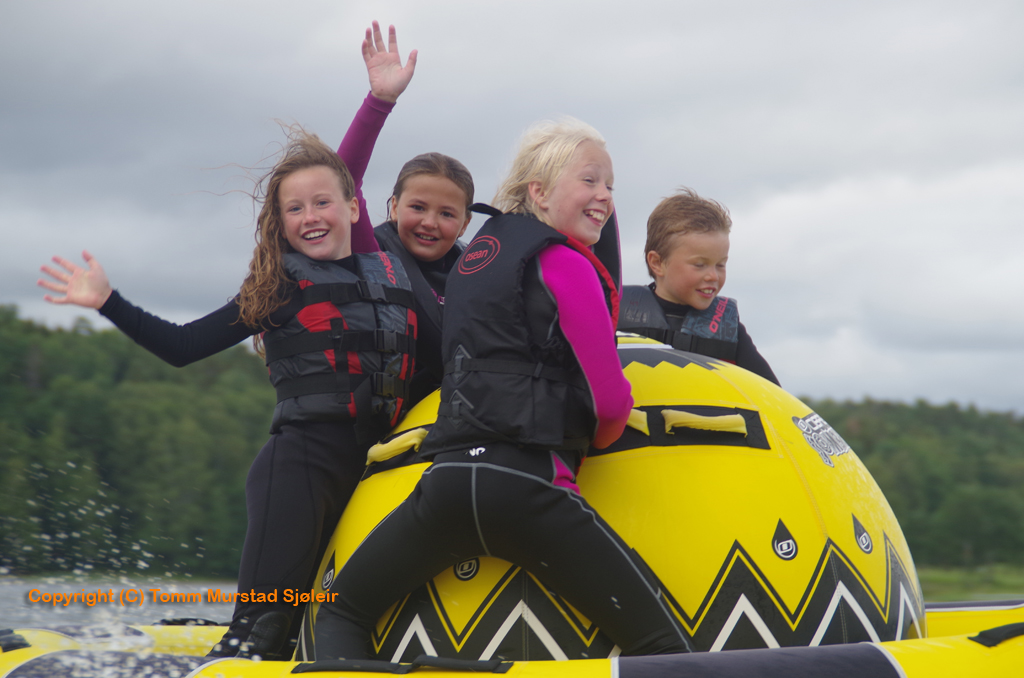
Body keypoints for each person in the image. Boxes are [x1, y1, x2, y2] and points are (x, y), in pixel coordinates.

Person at [36, 25, 420, 661]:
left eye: (323, 202)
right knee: (260, 631)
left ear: (354, 208)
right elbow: (182, 345)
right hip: (300, 468)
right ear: (281, 223)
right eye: (294, 209)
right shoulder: (279, 288)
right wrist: (108, 301)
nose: (310, 217)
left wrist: (380, 100)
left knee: (328, 627)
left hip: (375, 468)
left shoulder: (390, 275)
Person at [312, 118, 694, 660]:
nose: (605, 196)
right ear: (539, 192)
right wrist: (599, 441)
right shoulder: (566, 264)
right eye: (589, 180)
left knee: (341, 613)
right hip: (529, 490)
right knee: (662, 647)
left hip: (445, 487)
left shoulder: (473, 262)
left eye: (610, 186)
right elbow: (610, 404)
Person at [337, 23, 474, 403]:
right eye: (417, 207)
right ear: (394, 206)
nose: (429, 222)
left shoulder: (479, 273)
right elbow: (341, 184)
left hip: (463, 418)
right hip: (387, 424)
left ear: (465, 224)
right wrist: (379, 101)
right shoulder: (371, 253)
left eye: (446, 214)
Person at [617, 188, 779, 385]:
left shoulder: (728, 330)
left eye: (720, 265)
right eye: (700, 265)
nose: (713, 276)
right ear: (657, 263)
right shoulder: (614, 316)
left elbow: (771, 392)